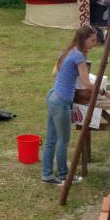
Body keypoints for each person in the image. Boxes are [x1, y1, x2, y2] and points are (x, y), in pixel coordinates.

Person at [42, 25, 99, 185]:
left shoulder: (68, 51)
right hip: (61, 102)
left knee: (51, 139)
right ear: (83, 39)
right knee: (63, 141)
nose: (95, 43)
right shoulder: (79, 56)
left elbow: (55, 72)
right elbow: (87, 84)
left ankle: (46, 175)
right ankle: (63, 175)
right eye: (92, 40)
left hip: (53, 96)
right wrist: (105, 92)